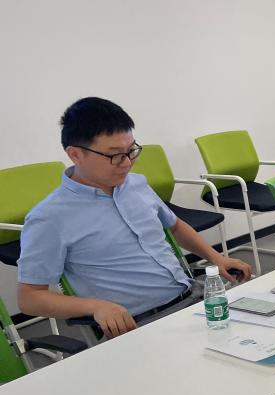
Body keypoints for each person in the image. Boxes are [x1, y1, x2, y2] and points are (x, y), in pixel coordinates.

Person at [17, 97, 251, 339]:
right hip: (140, 325)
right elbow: (29, 298)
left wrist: (217, 258)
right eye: (114, 155)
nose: (127, 163)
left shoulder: (135, 184)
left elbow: (175, 226)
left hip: (194, 297)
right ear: (75, 154)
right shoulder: (49, 218)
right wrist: (95, 307)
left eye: (131, 151)